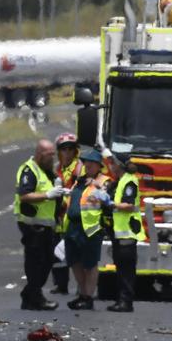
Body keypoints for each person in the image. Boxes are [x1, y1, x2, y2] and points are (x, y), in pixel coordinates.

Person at [16, 139, 66, 311]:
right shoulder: (29, 170)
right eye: (49, 154)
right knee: (36, 263)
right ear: (39, 154)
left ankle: (30, 294)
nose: (52, 158)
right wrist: (47, 195)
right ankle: (34, 297)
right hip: (33, 225)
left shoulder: (46, 171)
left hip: (47, 225)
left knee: (46, 263)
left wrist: (60, 193)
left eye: (53, 154)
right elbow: (24, 195)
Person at [63, 148, 112, 310]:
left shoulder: (104, 181)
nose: (88, 166)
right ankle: (82, 293)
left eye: (91, 163)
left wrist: (97, 186)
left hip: (91, 228)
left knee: (90, 264)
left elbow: (107, 200)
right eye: (86, 163)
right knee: (74, 261)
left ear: (99, 166)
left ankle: (88, 297)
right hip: (73, 227)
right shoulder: (79, 181)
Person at [103, 149, 144, 312]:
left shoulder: (129, 181)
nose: (110, 166)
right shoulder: (119, 181)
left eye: (112, 163)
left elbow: (128, 205)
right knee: (120, 267)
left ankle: (126, 302)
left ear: (119, 165)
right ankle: (121, 300)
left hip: (126, 232)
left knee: (126, 269)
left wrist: (111, 204)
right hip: (118, 232)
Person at [50, 133, 85, 295]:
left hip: (75, 218)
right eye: (64, 149)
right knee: (57, 253)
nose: (67, 152)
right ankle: (60, 284)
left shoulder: (80, 169)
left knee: (78, 254)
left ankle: (82, 285)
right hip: (58, 217)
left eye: (71, 149)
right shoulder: (56, 170)